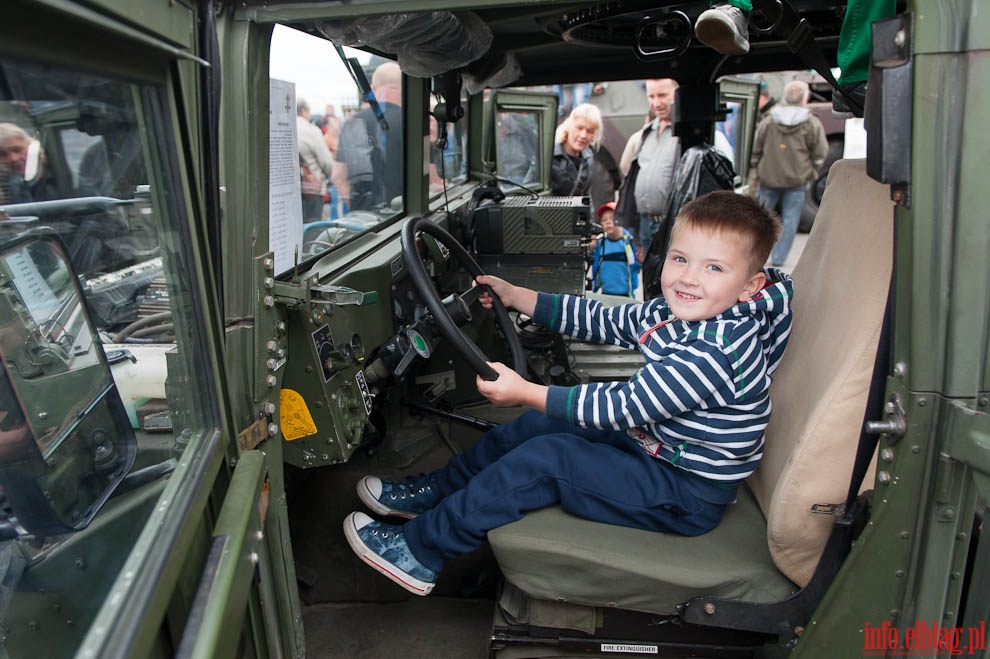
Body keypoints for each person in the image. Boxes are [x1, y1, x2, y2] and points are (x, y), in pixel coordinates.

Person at [343, 191, 793, 596]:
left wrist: (525, 391)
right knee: (545, 422)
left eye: (713, 268)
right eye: (679, 259)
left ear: (751, 286)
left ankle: (420, 552)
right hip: (661, 446)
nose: (688, 279)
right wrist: (520, 296)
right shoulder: (686, 315)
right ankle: (438, 492)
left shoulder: (716, 351)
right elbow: (607, 319)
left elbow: (625, 406)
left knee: (546, 461)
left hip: (683, 491)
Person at [750, 80, 827, 266]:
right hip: (797, 181)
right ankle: (778, 259)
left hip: (768, 178)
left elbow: (756, 148)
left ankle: (755, 256)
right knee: (790, 220)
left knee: (760, 218)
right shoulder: (811, 123)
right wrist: (812, 171)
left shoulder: (769, 120)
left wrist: (756, 169)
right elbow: (820, 151)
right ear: (804, 98)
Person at [618, 79, 680, 261]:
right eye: (651, 96)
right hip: (645, 225)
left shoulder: (687, 133)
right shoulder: (647, 133)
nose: (656, 103)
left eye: (662, 95)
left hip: (673, 227)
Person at [333, 62, 403, 211]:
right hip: (407, 221)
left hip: (366, 224)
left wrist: (361, 209)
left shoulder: (353, 123)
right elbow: (431, 178)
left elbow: (338, 177)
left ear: (374, 88)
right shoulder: (417, 123)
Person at [549, 103, 602, 198]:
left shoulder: (587, 158)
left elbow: (587, 198)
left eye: (590, 131)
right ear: (569, 126)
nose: (583, 136)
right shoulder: (549, 156)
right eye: (579, 128)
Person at [589, 201, 640, 297]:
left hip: (626, 295)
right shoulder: (600, 243)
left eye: (612, 218)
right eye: (604, 220)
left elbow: (637, 265)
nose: (608, 222)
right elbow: (596, 264)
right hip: (605, 293)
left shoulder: (629, 242)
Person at [296, 99, 334, 222]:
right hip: (312, 191)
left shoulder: (283, 127)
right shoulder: (312, 130)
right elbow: (327, 162)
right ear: (304, 111)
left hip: (292, 193)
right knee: (313, 233)